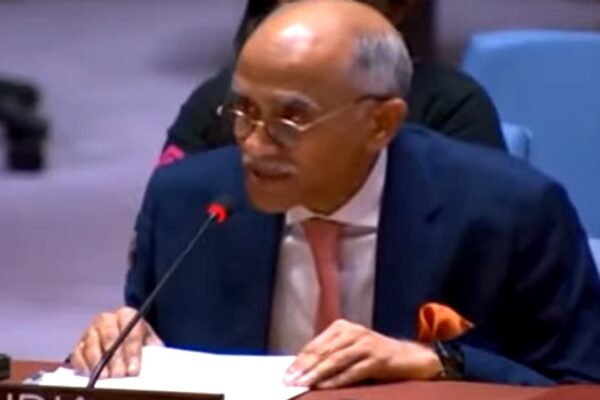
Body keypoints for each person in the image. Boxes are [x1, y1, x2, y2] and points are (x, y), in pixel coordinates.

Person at [72, 0, 600, 389]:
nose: (254, 144)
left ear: (381, 123)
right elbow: (156, 352)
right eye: (244, 111)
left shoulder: (511, 211)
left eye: (290, 118)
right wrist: (125, 341)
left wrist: (440, 362)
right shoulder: (187, 203)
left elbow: (580, 381)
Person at [157, 0, 505, 168]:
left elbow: (489, 248)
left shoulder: (452, 107)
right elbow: (159, 239)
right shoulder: (221, 102)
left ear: (397, 9)